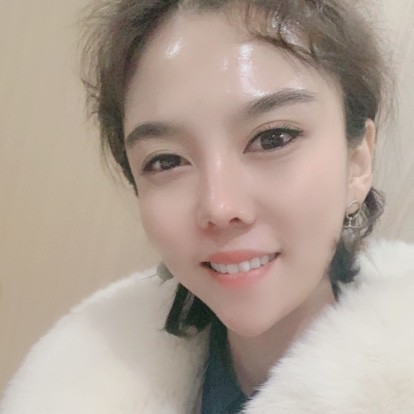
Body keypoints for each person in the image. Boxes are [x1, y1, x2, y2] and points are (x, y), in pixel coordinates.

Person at [1, 0, 414, 413]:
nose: (219, 206)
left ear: (357, 162)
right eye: (166, 161)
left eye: (273, 138)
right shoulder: (72, 388)